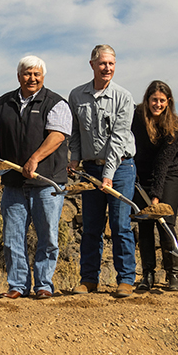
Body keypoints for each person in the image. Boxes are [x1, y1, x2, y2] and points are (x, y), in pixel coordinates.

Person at [0, 56, 70, 300]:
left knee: (47, 236)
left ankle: (44, 285)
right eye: (27, 73)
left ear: (43, 77)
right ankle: (17, 285)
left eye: (36, 74)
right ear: (19, 76)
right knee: (13, 237)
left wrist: (35, 158)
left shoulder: (56, 103)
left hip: (46, 182)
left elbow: (57, 136)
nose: (32, 78)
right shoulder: (4, 102)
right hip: (14, 183)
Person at [67, 44, 137, 298]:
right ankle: (89, 279)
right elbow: (74, 132)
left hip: (120, 169)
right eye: (103, 64)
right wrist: (74, 159)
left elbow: (119, 139)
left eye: (111, 64)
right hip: (90, 169)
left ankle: (126, 279)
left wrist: (108, 174)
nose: (107, 68)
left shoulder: (123, 97)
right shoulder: (76, 96)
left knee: (120, 224)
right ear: (92, 65)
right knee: (91, 226)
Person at [131, 81, 178, 292]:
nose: (158, 104)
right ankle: (148, 275)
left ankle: (174, 274)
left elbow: (163, 162)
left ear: (168, 102)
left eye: (162, 100)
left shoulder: (174, 126)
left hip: (169, 175)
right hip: (141, 175)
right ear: (147, 100)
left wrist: (156, 195)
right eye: (154, 100)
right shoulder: (136, 119)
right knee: (144, 225)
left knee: (165, 222)